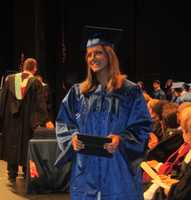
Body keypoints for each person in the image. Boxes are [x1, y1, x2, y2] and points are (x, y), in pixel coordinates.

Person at [55, 26, 152, 200]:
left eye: (98, 53)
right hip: (86, 169)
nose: (93, 58)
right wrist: (73, 138)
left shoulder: (129, 91)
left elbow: (142, 127)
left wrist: (121, 139)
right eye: (89, 55)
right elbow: (64, 123)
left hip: (118, 169)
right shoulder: (78, 93)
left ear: (109, 55)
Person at [0, 58, 54, 181]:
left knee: (12, 143)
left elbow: (2, 101)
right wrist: (44, 120)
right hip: (27, 121)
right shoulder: (35, 82)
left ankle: (12, 172)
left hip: (11, 121)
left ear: (23, 67)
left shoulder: (10, 80)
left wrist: (2, 118)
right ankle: (26, 171)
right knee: (26, 145)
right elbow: (40, 104)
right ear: (34, 68)